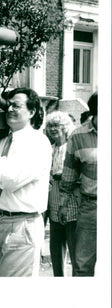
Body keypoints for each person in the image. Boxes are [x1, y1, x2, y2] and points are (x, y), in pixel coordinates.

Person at [0, 88, 51, 277]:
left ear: (31, 112)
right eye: (8, 105)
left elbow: (9, 180)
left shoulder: (38, 143)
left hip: (23, 226)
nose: (9, 109)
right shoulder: (0, 142)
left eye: (16, 105)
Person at [59, 91, 97, 276]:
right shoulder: (78, 136)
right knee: (83, 266)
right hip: (91, 207)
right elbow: (69, 174)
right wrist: (64, 204)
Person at [43, 111, 77, 276]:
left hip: (71, 203)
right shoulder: (49, 149)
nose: (53, 129)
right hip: (53, 201)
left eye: (57, 125)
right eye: (50, 126)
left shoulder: (72, 148)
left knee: (75, 248)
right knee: (55, 249)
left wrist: (61, 176)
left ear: (65, 128)